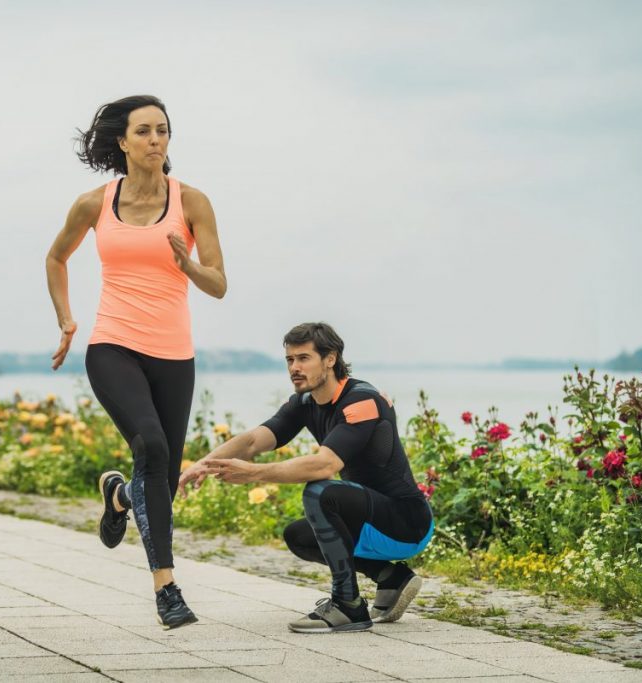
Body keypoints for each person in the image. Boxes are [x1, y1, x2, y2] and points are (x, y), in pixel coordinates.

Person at [45, 95, 227, 629]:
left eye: (163, 131)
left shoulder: (192, 202)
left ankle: (120, 495)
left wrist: (187, 264)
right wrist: (66, 319)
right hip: (113, 345)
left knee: (161, 483)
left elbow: (218, 284)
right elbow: (57, 256)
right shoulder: (92, 204)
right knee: (149, 445)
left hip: (174, 353)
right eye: (144, 131)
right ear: (122, 142)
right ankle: (167, 590)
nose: (155, 140)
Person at [178, 322, 432, 633]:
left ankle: (348, 605)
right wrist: (202, 464)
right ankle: (390, 578)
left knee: (320, 492)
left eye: (304, 358)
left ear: (330, 359)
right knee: (299, 536)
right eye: (290, 360)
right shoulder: (305, 402)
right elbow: (253, 441)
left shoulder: (362, 402)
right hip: (369, 519)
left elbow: (323, 465)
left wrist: (253, 473)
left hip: (406, 523)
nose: (295, 368)